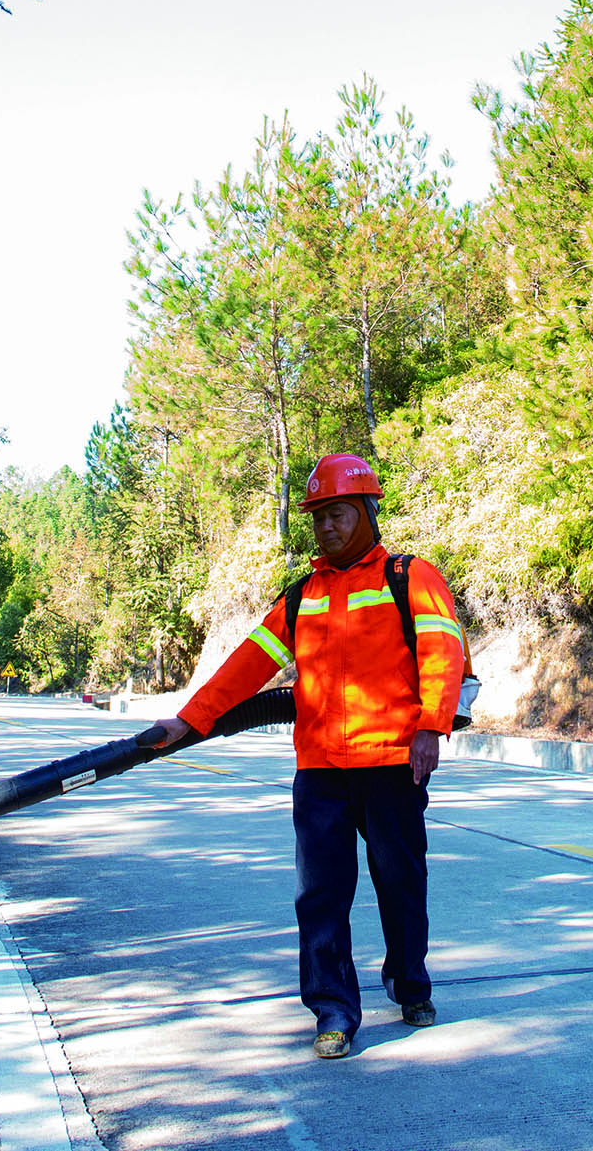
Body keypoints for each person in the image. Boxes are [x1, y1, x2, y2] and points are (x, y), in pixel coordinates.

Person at [150, 452, 467, 1060]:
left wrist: (431, 727)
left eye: (339, 513)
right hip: (320, 767)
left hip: (392, 762)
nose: (327, 526)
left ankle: (409, 983)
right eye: (318, 516)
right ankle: (332, 1009)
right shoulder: (301, 597)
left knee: (401, 882)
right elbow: (248, 665)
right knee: (319, 893)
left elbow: (442, 653)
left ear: (369, 513)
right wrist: (190, 719)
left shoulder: (409, 577)